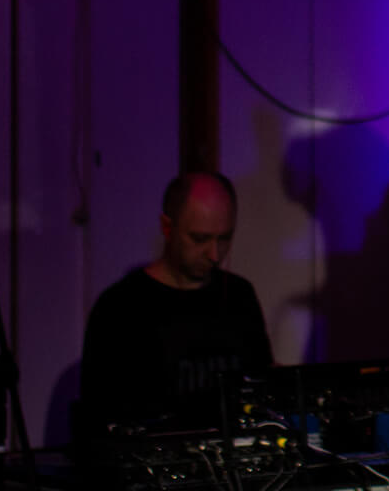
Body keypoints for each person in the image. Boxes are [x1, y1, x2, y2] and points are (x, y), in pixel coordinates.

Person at [79, 172, 273, 432]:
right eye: (199, 239)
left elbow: (262, 388)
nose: (214, 254)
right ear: (167, 227)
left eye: (225, 238)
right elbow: (100, 420)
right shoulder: (120, 308)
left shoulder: (240, 296)